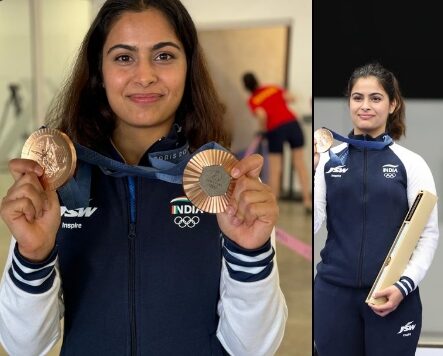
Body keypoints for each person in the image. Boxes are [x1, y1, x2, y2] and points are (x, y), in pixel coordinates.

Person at [0, 1, 288, 355]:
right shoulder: (59, 186)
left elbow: (254, 348)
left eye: (164, 56)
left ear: (188, 67)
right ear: (98, 72)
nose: (145, 75)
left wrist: (251, 251)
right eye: (123, 57)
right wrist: (33, 255)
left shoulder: (225, 185)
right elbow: (23, 346)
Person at [313, 62, 439, 355]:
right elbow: (314, 222)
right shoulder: (328, 160)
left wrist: (404, 285)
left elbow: (427, 234)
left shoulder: (412, 163)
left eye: (376, 98)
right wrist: (312, 176)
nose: (365, 106)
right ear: (349, 102)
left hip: (391, 296)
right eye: (358, 97)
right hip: (333, 295)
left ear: (392, 104)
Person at [242, 72, 311, 212]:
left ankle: (274, 202)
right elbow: (291, 97)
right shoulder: (272, 88)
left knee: (275, 168)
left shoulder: (253, 100)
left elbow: (262, 115)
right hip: (292, 124)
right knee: (299, 163)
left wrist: (262, 130)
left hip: (275, 129)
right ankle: (307, 201)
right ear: (257, 80)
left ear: (246, 87)